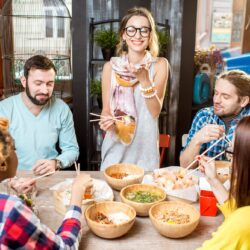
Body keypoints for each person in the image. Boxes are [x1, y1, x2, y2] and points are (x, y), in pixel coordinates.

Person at [0, 117, 93, 249]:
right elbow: (65, 247)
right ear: (3, 163)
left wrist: (11, 184)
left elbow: (72, 149)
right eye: (14, 148)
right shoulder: (11, 209)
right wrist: (77, 191)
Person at [99, 7, 169, 171]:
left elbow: (154, 112)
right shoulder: (110, 67)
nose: (137, 35)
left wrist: (144, 80)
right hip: (114, 153)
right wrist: (107, 123)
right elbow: (106, 112)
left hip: (145, 156)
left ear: (150, 35)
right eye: (131, 30)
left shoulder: (160, 65)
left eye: (144, 30)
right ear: (123, 34)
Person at [0, 55, 79, 175]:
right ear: (24, 82)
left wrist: (56, 162)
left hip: (48, 177)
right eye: (38, 83)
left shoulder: (62, 109)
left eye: (49, 84)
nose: (45, 90)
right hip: (12, 177)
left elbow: (72, 150)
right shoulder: (4, 109)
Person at [197, 115, 250, 249]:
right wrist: (213, 180)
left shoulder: (242, 223)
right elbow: (238, 215)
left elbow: (240, 221)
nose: (230, 162)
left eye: (232, 152)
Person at [180, 70, 250, 167]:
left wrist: (216, 165)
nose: (216, 100)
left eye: (225, 97)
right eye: (216, 93)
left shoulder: (248, 121)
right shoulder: (204, 116)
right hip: (205, 181)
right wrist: (197, 140)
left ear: (243, 101)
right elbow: (185, 166)